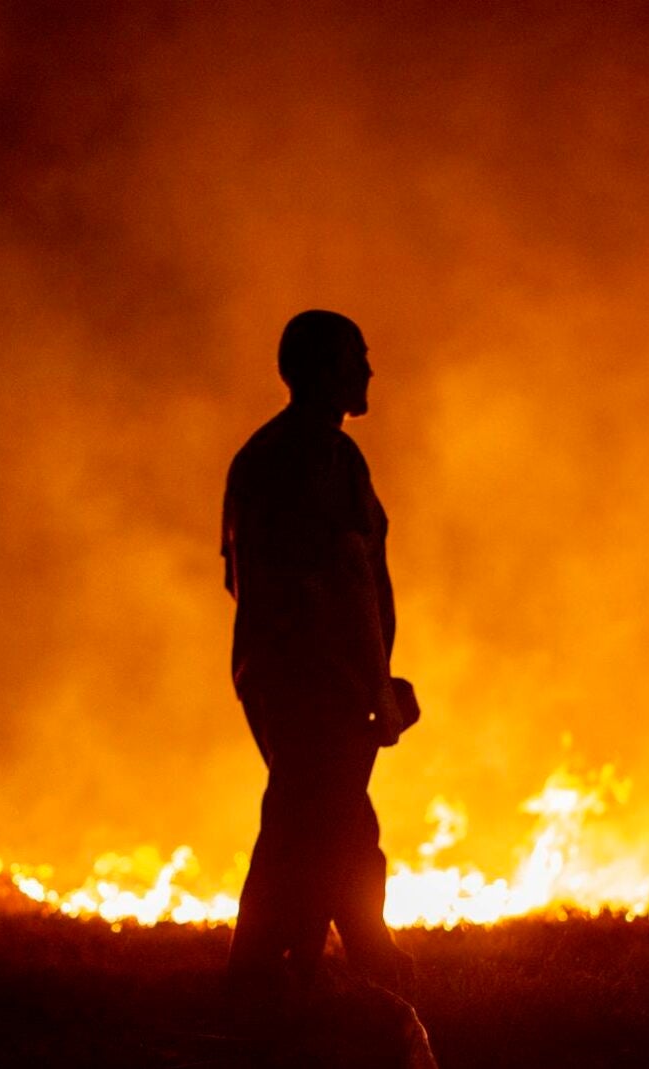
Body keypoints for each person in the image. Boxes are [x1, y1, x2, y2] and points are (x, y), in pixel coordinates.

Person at [221, 309, 417, 1009]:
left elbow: (238, 579)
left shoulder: (268, 455)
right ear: (322, 370)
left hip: (279, 672)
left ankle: (325, 958)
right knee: (312, 823)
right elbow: (347, 576)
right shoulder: (322, 459)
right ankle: (265, 969)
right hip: (318, 679)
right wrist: (375, 686)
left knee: (327, 820)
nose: (368, 370)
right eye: (355, 357)